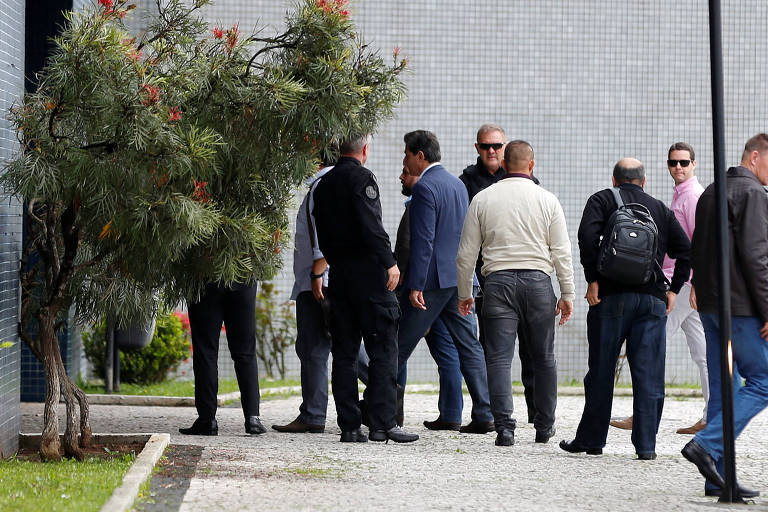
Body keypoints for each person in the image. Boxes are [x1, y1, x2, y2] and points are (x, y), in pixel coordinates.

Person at [560, 157, 691, 460]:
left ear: (614, 180)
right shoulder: (659, 208)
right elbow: (686, 251)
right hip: (652, 301)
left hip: (610, 298)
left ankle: (592, 441)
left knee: (602, 370)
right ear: (644, 181)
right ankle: (646, 446)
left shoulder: (602, 199)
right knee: (649, 374)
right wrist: (673, 289)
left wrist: (592, 279)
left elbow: (586, 238)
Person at [457, 141, 574, 446]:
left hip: (497, 284)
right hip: (538, 283)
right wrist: (567, 293)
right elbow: (561, 251)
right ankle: (544, 425)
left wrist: (464, 292)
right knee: (544, 357)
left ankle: (505, 428)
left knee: (497, 358)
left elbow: (466, 253)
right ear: (531, 165)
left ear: (505, 165)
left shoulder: (483, 199)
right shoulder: (548, 200)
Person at [312, 134, 418, 443]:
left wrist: (335, 261)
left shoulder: (324, 184)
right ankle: (383, 424)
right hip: (371, 278)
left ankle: (349, 426)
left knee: (344, 353)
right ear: (365, 150)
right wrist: (390, 262)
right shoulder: (363, 178)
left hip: (340, 277)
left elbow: (322, 231)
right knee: (384, 349)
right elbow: (371, 225)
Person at [681, 134, 768, 499]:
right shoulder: (753, 195)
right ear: (755, 156)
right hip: (742, 308)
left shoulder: (712, 191)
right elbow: (757, 257)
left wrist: (702, 290)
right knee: (764, 380)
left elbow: (697, 247)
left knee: (725, 390)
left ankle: (715, 476)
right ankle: (706, 444)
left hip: (714, 306)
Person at [396, 130, 494, 434]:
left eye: (407, 154)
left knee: (397, 344)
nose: (405, 159)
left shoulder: (425, 187)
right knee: (469, 346)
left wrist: (416, 284)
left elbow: (424, 240)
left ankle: (380, 408)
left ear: (419, 156)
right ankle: (485, 412)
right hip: (459, 279)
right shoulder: (456, 184)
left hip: (433, 282)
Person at [610, 143, 709, 434]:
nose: (678, 167)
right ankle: (713, 415)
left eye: (684, 162)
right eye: (673, 163)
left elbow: (698, 243)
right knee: (703, 353)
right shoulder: (683, 195)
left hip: (681, 285)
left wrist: (693, 284)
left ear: (694, 164)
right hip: (685, 284)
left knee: (647, 346)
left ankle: (644, 416)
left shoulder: (691, 197)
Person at [272, 161, 371, 434]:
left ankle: (313, 415)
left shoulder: (324, 186)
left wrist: (318, 272)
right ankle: (385, 393)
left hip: (319, 281)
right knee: (347, 344)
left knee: (314, 347)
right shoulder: (340, 182)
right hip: (331, 278)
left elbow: (327, 234)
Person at [459, 123, 539, 423]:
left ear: (505, 149)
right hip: (489, 277)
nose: (491, 151)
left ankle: (536, 415)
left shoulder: (528, 182)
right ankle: (492, 415)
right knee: (493, 351)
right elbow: (465, 240)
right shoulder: (466, 183)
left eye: (496, 146)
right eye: (485, 146)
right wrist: (466, 285)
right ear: (477, 148)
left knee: (532, 351)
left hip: (529, 275)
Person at [395, 166, 465, 430]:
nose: (402, 176)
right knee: (447, 350)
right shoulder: (451, 193)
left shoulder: (420, 199)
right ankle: (452, 413)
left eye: (406, 171)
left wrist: (410, 284)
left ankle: (393, 411)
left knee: (398, 346)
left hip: (422, 288)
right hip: (446, 284)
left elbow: (409, 246)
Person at [180, 281, 265, 436]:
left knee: (206, 351)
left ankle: (207, 420)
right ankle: (253, 417)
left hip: (206, 276)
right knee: (245, 352)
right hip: (243, 276)